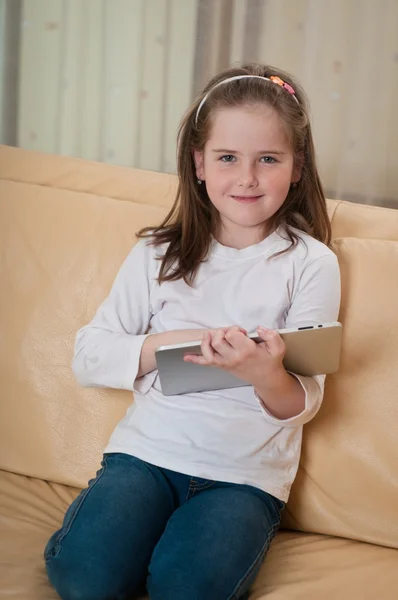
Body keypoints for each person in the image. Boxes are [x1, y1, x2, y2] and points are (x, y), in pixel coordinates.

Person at [44, 63, 341, 600]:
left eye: (268, 159)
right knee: (85, 578)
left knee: (187, 587)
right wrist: (163, 347)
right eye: (228, 158)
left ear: (296, 168)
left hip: (244, 479)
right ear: (199, 163)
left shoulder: (311, 263)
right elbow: (88, 356)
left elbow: (307, 399)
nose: (247, 177)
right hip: (145, 458)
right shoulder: (158, 253)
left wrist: (264, 373)